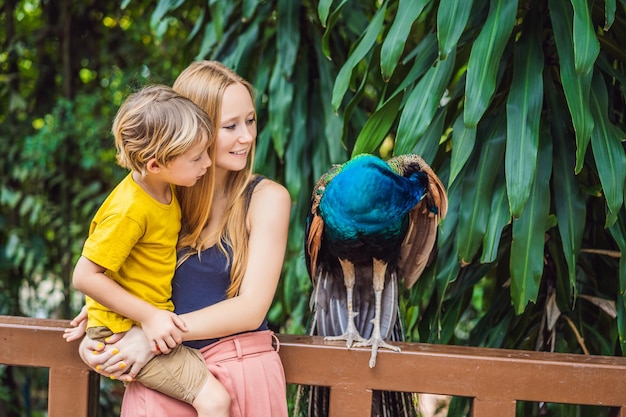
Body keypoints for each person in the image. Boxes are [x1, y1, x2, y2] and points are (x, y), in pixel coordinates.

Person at [65, 61, 291, 417]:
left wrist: (150, 334)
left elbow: (251, 309)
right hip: (168, 377)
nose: (247, 136)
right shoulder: (161, 197)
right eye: (230, 126)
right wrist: (108, 309)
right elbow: (126, 268)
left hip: (236, 369)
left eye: (250, 120)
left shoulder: (266, 198)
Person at [70, 84, 231, 417]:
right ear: (156, 164)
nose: (207, 161)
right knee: (215, 401)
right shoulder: (130, 208)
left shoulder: (163, 189)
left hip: (134, 322)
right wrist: (147, 316)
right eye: (197, 156)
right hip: (124, 330)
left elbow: (118, 268)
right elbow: (84, 274)